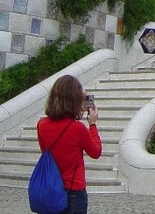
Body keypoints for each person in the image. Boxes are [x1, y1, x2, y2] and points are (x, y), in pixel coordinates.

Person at [37, 75, 102, 214]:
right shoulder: (77, 128)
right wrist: (93, 124)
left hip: (50, 187)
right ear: (75, 99)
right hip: (73, 191)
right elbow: (96, 152)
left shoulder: (41, 125)